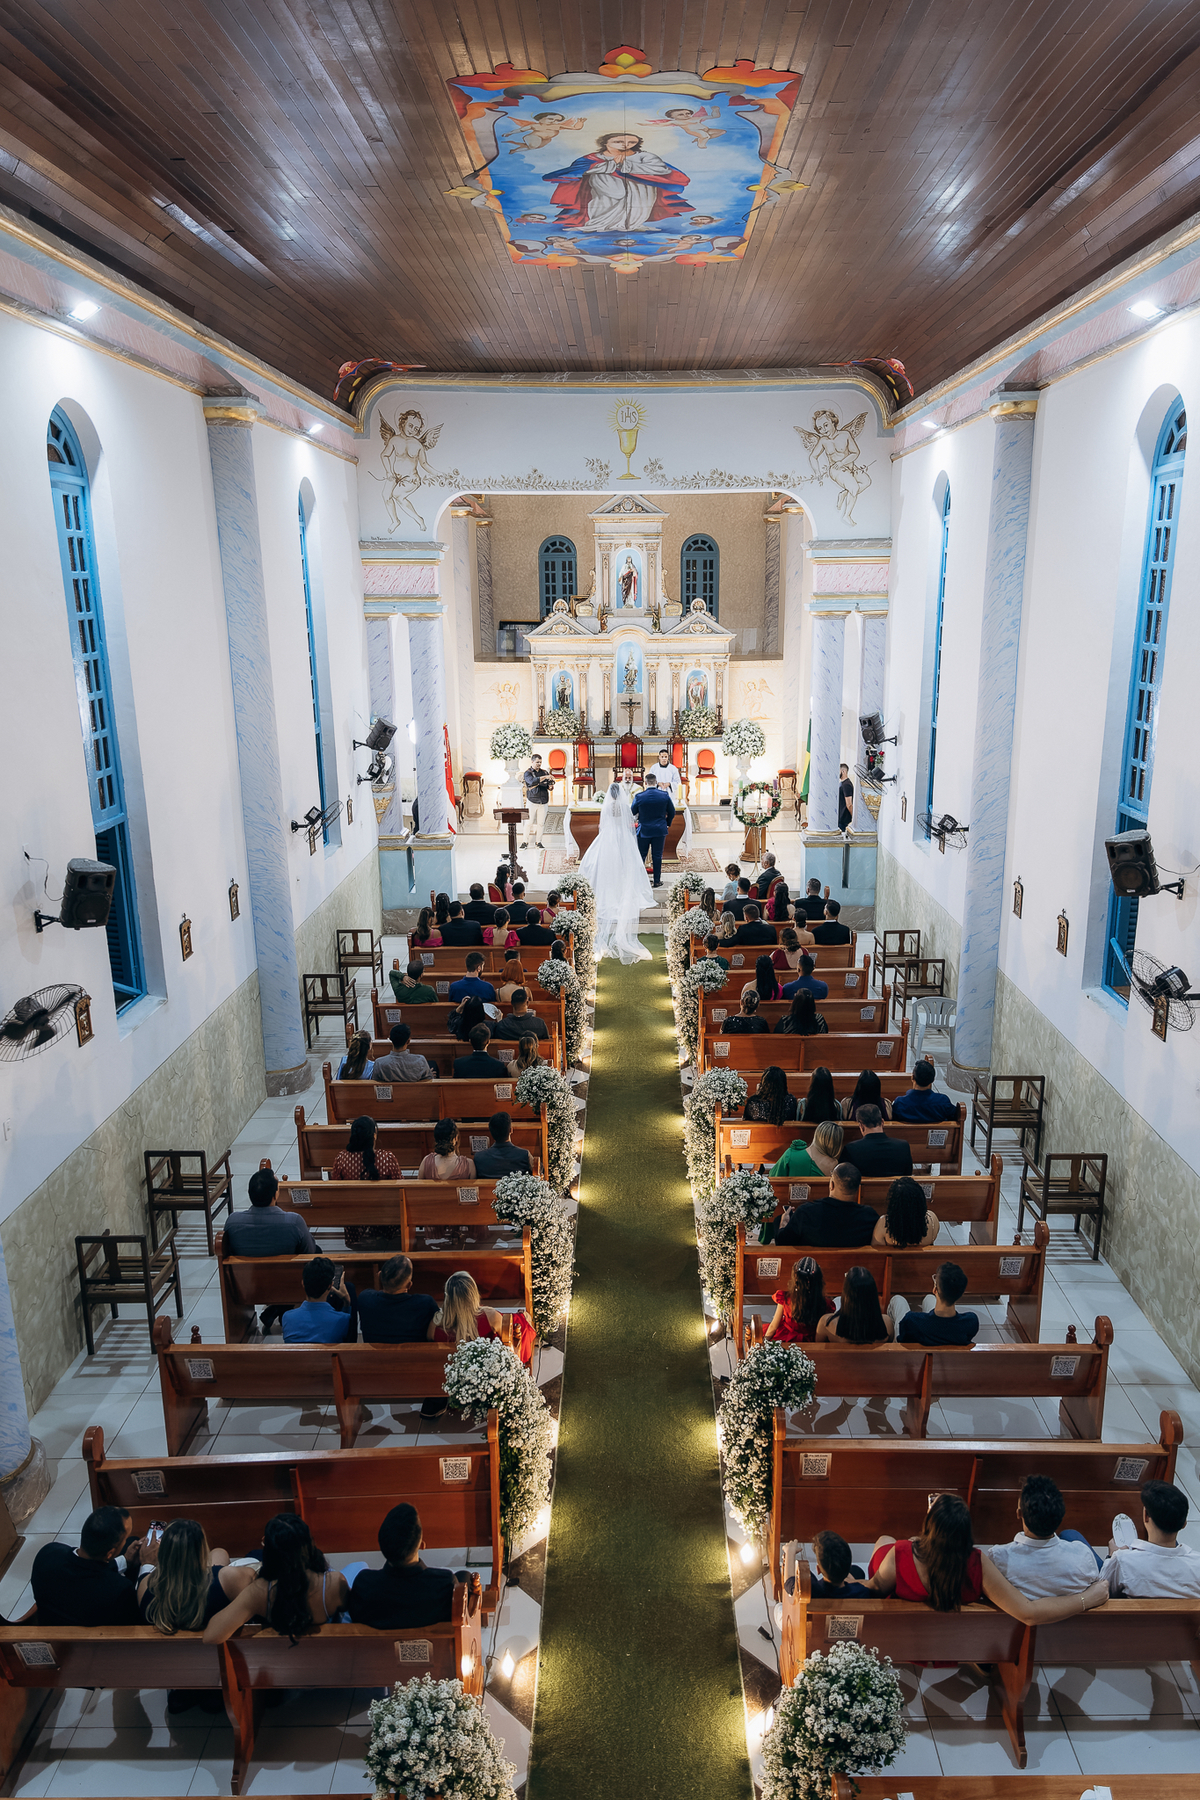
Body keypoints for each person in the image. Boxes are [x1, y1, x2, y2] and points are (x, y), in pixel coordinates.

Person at [867, 1496, 1110, 1628]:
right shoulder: (977, 1564)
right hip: (959, 1636)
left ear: (928, 1528)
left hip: (902, 1625)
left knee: (884, 1540)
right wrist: (1087, 1599)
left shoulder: (900, 1553)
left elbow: (875, 1588)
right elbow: (1028, 1612)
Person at [205, 1514, 349, 1644]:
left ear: (268, 1551)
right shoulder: (335, 1582)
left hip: (270, 1664)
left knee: (243, 1554)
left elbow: (211, 1636)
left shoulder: (259, 1592)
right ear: (310, 1545)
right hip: (324, 1657)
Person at [986, 1475, 1106, 1598]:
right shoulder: (1083, 1554)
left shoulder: (997, 1558)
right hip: (1076, 1616)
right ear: (1060, 1514)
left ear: (1019, 1514)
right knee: (1070, 1534)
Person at [578, 780, 654, 962]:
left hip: (608, 838)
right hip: (622, 838)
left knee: (601, 864)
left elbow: (602, 826)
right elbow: (630, 824)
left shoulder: (608, 807)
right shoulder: (624, 806)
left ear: (609, 794)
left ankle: (609, 886)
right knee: (624, 865)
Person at [345, 1504, 455, 1629]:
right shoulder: (445, 1585)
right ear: (421, 1544)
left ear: (382, 1545)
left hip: (376, 1648)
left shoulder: (363, 1584)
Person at [138, 1519, 255, 1636]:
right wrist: (211, 1570)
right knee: (221, 1553)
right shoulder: (231, 1579)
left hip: (168, 1652)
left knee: (219, 1553)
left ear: (163, 1551)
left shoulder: (145, 1585)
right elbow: (253, 1578)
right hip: (217, 1649)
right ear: (202, 1549)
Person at [32, 1507, 142, 1626]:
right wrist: (147, 1566)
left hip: (54, 1626)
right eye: (125, 1539)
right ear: (110, 1553)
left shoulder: (47, 1554)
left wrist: (125, 1560)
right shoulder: (119, 1590)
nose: (126, 1542)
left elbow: (86, 1567)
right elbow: (136, 1620)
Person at [1101, 1481, 1200, 1596]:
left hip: (1133, 1612)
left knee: (1074, 1535)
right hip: (1183, 1613)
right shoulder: (1197, 1563)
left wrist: (1111, 1556)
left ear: (1146, 1516)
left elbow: (1103, 1590)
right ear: (1184, 1524)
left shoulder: (1122, 1560)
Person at [333, 1116, 404, 1251]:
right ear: (374, 1136)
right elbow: (400, 1186)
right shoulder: (387, 1158)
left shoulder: (341, 1159)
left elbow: (335, 1189)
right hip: (384, 1221)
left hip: (354, 1222)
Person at [778, 1163, 879, 1247]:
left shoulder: (806, 1212)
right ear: (857, 1189)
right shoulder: (869, 1216)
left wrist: (783, 1223)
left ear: (831, 1185)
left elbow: (783, 1243)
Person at [224, 1167, 317, 1258]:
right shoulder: (294, 1222)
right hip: (287, 1273)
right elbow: (310, 1252)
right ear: (276, 1195)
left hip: (245, 1273)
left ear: (249, 1193)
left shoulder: (232, 1222)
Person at [890, 1261, 978, 1346]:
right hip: (947, 1348)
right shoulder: (970, 1321)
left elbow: (903, 1339)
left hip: (915, 1357)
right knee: (929, 1298)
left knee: (898, 1300)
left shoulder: (911, 1320)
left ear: (935, 1290)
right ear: (960, 1294)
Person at [358, 1254, 440, 1344]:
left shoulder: (365, 1299)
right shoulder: (426, 1304)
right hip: (414, 1357)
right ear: (409, 1285)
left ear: (379, 1275)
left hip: (374, 1357)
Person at [282, 1256, 357, 1343]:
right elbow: (348, 1340)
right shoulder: (342, 1319)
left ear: (303, 1283)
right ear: (330, 1286)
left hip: (298, 1357)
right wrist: (347, 1302)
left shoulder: (287, 1317)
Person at [764, 1255, 833, 1343]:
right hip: (812, 1341)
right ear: (818, 1279)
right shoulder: (826, 1303)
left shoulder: (786, 1298)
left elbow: (774, 1326)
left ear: (795, 1277)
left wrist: (764, 1343)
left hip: (787, 1338)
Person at [817, 1264, 895, 1341]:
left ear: (846, 1296)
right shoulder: (887, 1324)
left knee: (837, 1299)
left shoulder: (826, 1324)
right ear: (873, 1295)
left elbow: (817, 1351)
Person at [630, 770, 676, 888]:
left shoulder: (639, 796)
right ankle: (656, 880)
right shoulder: (664, 796)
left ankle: (640, 880)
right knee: (657, 855)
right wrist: (667, 823)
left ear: (645, 783)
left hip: (644, 829)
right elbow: (672, 811)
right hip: (659, 829)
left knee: (641, 855)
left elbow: (633, 811)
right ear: (656, 782)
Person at [843, 1104, 914, 1177]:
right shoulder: (903, 1146)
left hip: (865, 1188)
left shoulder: (850, 1149)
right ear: (882, 1122)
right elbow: (908, 1175)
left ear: (861, 1126)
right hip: (897, 1188)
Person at [872, 1175, 940, 1249]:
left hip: (894, 1260)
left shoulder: (884, 1223)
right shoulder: (932, 1219)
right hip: (924, 1260)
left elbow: (877, 1251)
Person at [891, 1059, 959, 1123]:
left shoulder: (900, 1103)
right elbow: (955, 1116)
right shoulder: (943, 1102)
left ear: (912, 1078)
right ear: (932, 1079)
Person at [473, 1110, 532, 1177]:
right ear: (511, 1130)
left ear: (491, 1131)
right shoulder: (524, 1155)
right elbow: (540, 1172)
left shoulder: (479, 1158)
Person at [520, 755, 551, 848]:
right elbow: (532, 782)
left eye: (540, 762)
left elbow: (548, 784)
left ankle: (538, 842)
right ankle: (525, 842)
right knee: (528, 823)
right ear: (532, 762)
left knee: (541, 823)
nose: (539, 764)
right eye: (537, 762)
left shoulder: (544, 772)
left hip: (543, 801)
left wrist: (550, 785)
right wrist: (544, 778)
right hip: (532, 801)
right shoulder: (527, 773)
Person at [838, 763, 854, 831]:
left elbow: (849, 804)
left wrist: (853, 818)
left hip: (844, 819)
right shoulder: (842, 783)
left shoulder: (846, 785)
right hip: (840, 818)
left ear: (843, 771)